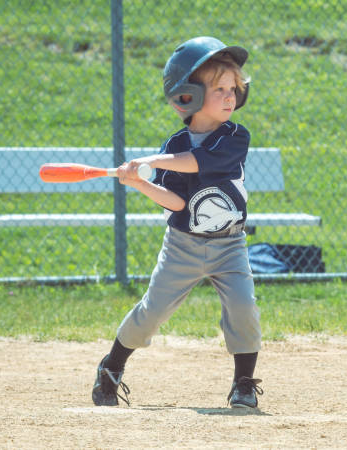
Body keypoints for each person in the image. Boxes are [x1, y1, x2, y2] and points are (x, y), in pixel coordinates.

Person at [92, 36, 263, 409]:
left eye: (233, 88)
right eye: (219, 88)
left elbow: (198, 162)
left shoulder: (234, 137)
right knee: (151, 311)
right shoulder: (175, 145)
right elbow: (176, 203)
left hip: (229, 245)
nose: (230, 96)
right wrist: (140, 183)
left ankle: (244, 383)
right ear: (189, 95)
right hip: (182, 246)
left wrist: (151, 161)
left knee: (243, 308)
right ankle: (111, 367)